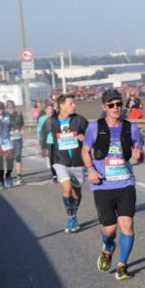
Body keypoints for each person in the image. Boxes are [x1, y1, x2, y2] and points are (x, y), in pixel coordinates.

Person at [82, 89, 145, 281]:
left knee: (127, 223)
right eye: (111, 105)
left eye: (118, 104)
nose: (116, 108)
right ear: (104, 107)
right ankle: (108, 246)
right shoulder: (94, 127)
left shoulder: (131, 128)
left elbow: (140, 154)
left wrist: (139, 156)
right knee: (109, 229)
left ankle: (122, 265)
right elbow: (85, 151)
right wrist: (90, 170)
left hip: (125, 184)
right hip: (103, 185)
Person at [40, 94, 90, 233]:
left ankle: (73, 215)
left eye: (74, 103)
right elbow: (44, 138)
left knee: (77, 194)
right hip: (59, 161)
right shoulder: (50, 122)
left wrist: (84, 138)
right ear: (61, 105)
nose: (74, 105)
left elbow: (92, 138)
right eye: (71, 103)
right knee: (67, 188)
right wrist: (45, 147)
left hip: (77, 161)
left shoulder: (80, 120)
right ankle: (71, 217)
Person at [6, 100, 26, 186]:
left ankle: (19, 176)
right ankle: (8, 176)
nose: (10, 108)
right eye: (8, 107)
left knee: (18, 157)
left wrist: (21, 130)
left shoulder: (19, 114)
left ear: (14, 107)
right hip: (8, 140)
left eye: (12, 107)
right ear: (6, 108)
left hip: (18, 138)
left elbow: (22, 124)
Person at [37, 103, 57, 182]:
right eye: (49, 109)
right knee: (51, 159)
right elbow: (40, 131)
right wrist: (41, 143)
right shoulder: (42, 119)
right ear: (45, 110)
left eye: (52, 109)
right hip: (48, 142)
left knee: (59, 158)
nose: (50, 111)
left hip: (57, 141)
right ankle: (54, 175)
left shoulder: (56, 118)